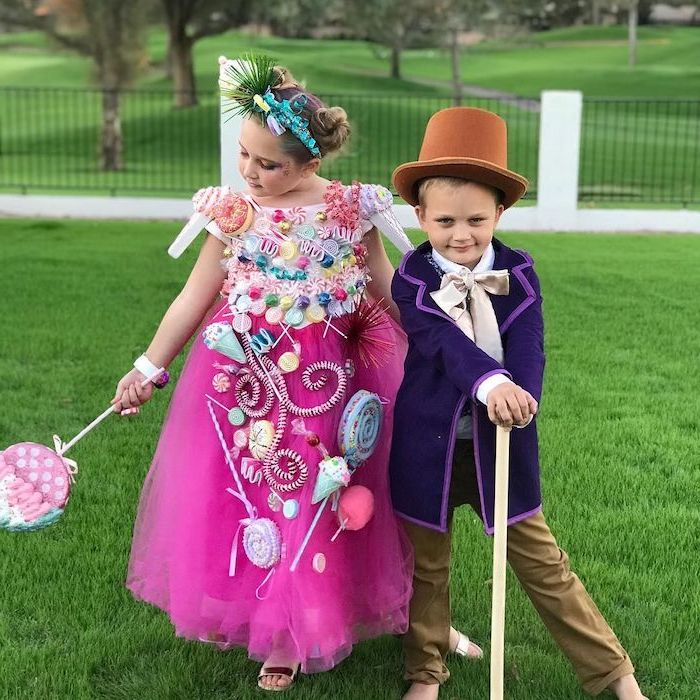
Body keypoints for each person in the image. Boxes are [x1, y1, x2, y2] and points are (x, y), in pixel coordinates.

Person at [112, 54, 413, 692]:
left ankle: (291, 630)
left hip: (328, 379)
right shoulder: (235, 214)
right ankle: (251, 608)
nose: (249, 172)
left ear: (312, 163)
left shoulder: (348, 211)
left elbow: (386, 289)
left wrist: (439, 348)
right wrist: (148, 366)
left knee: (310, 488)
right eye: (244, 156)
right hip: (242, 376)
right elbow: (194, 297)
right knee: (245, 490)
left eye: (268, 163)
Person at [389, 107, 647, 700]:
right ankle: (425, 673)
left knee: (543, 564)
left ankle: (613, 674)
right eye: (446, 221)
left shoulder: (520, 272)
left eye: (477, 220)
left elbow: (529, 342)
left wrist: (521, 393)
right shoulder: (411, 277)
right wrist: (488, 382)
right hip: (426, 444)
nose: (461, 235)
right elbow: (440, 341)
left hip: (500, 443)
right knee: (427, 567)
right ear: (420, 215)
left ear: (500, 212)